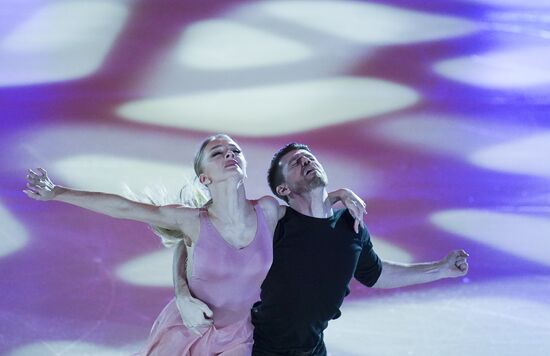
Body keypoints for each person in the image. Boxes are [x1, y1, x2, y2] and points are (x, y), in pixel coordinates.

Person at [24, 134, 366, 356]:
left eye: (235, 151)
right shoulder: (191, 221)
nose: (230, 154)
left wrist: (338, 193)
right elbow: (124, 207)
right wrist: (58, 193)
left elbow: (309, 203)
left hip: (238, 338)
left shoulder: (269, 210)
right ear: (204, 178)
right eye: (218, 153)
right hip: (185, 332)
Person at [250, 143, 470, 356]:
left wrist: (441, 269)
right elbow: (230, 218)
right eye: (295, 162)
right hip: (259, 348)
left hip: (313, 348)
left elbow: (378, 273)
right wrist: (338, 194)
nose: (305, 160)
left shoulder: (350, 225)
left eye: (309, 157)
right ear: (283, 189)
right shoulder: (277, 223)